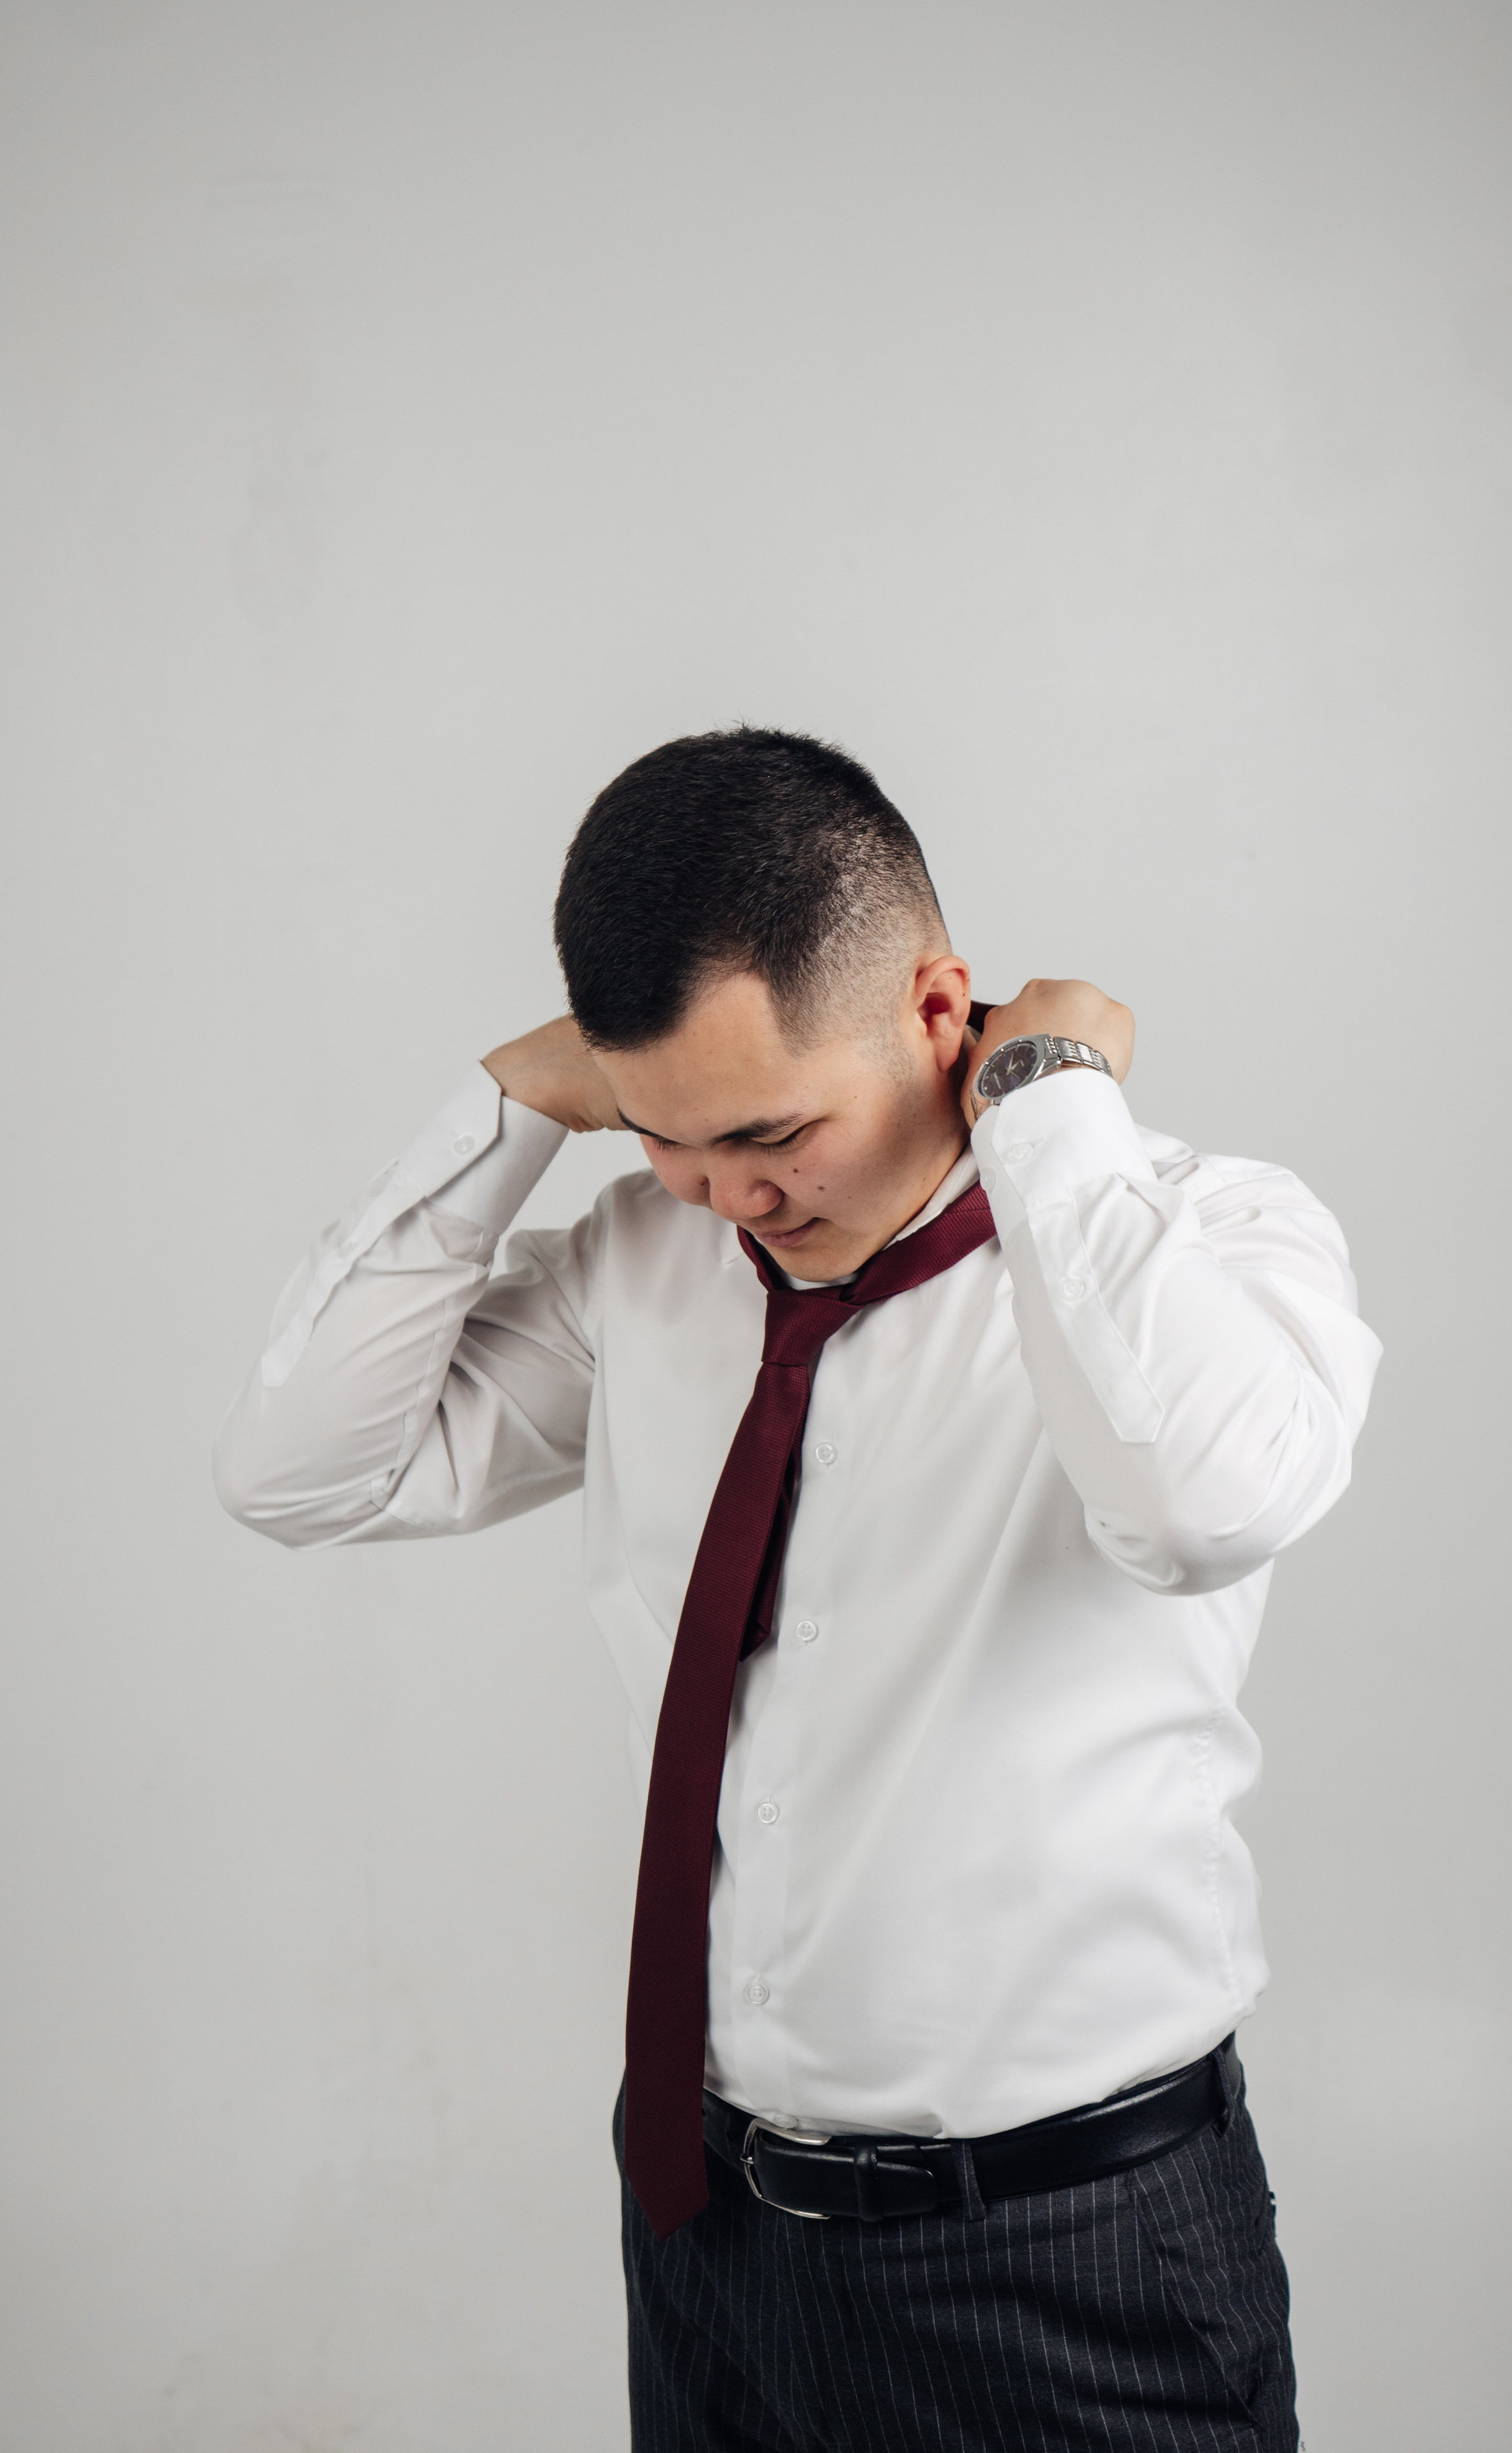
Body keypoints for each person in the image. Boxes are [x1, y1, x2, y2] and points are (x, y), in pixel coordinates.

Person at [215, 726, 1380, 2452]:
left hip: (1064, 2256)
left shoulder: (1201, 1242)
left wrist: (1049, 1091)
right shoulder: (652, 1262)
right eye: (669, 1142)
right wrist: (518, 1105)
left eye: (769, 1133)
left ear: (935, 1006)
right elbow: (302, 1469)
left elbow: (1200, 1507)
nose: (728, 1198)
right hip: (705, 2222)